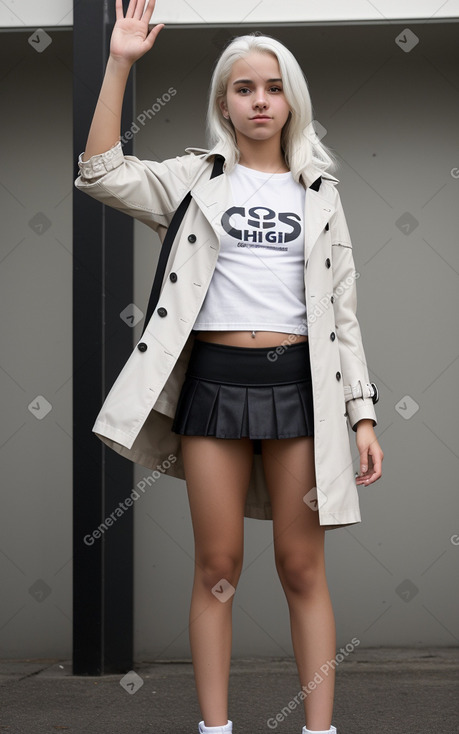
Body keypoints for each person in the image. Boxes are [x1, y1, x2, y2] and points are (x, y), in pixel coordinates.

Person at [74, 2, 384, 733]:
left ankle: (319, 730)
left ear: (290, 100)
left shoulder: (320, 195)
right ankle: (215, 731)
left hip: (299, 389)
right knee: (217, 569)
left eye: (272, 87)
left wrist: (363, 413)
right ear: (224, 102)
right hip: (213, 384)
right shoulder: (194, 178)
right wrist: (119, 62)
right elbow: (99, 173)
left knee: (301, 567)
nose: (259, 100)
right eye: (243, 88)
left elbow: (342, 314)